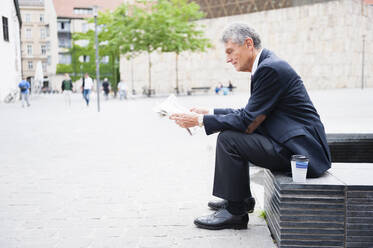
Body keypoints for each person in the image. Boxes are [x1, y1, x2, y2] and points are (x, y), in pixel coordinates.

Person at [170, 23, 331, 230]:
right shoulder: (266, 65)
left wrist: (199, 121)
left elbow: (247, 119)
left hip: (300, 153)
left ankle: (235, 213)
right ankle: (240, 200)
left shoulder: (270, 69)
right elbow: (252, 114)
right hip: (288, 142)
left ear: (248, 44)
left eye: (230, 51)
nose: (228, 58)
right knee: (231, 135)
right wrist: (208, 112)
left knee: (229, 139)